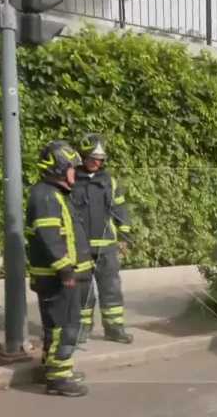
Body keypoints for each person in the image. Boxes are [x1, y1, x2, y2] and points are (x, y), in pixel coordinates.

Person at [26, 140, 92, 397]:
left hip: (54, 274)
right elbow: (50, 235)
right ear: (59, 169)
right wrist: (66, 270)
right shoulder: (45, 196)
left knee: (55, 325)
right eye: (72, 168)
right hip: (56, 276)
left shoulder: (51, 194)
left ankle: (52, 368)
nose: (76, 172)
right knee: (65, 325)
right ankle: (59, 378)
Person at [72, 133, 134, 344]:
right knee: (83, 291)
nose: (97, 162)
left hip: (107, 247)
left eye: (100, 159)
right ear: (82, 156)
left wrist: (124, 237)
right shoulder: (71, 181)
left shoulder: (110, 181)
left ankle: (115, 328)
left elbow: (120, 210)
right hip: (80, 248)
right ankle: (82, 329)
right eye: (92, 158)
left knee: (111, 290)